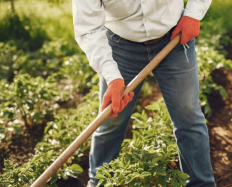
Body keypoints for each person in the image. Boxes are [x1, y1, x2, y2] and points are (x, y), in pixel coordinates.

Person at [72, 0, 215, 186]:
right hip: (120, 46)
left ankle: (201, 184)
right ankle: (98, 182)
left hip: (174, 37)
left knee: (188, 116)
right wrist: (112, 76)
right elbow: (88, 28)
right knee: (111, 119)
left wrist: (193, 14)